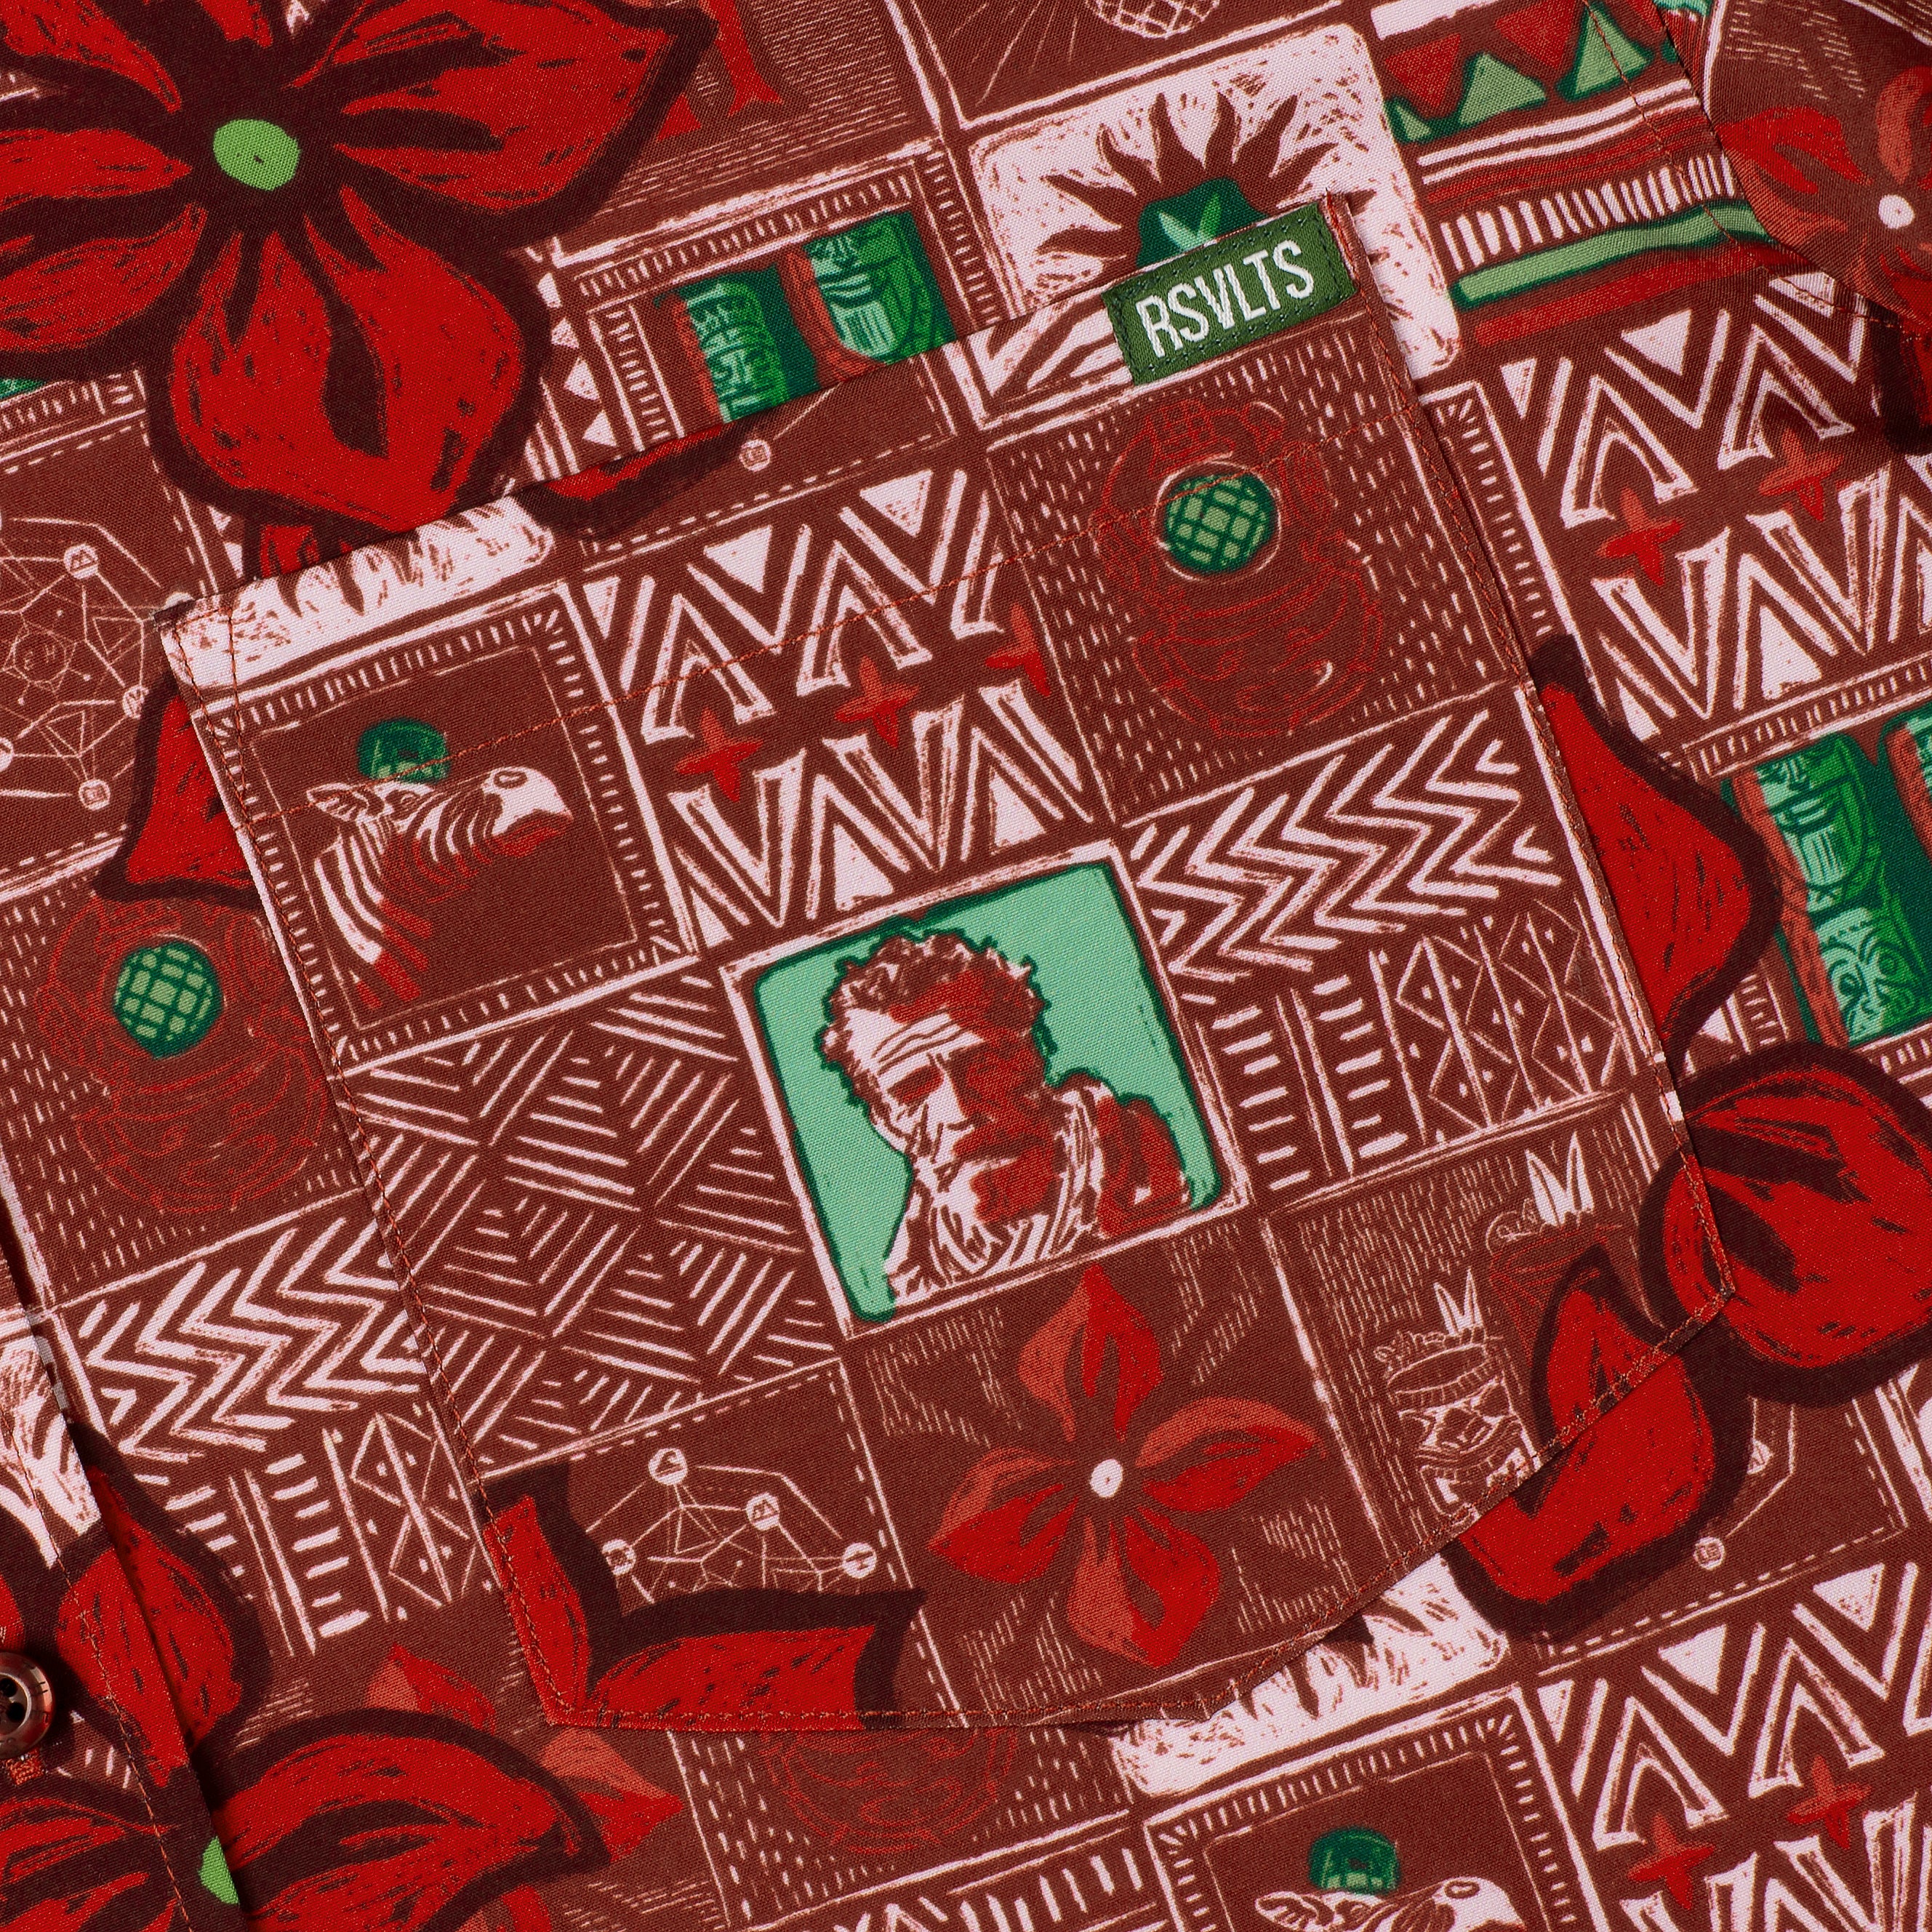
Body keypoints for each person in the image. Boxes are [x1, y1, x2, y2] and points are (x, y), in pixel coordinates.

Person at [818, 930, 1193, 1304]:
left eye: (983, 1065)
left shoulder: (1134, 1154)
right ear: (888, 1126)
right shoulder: (915, 1267)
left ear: (1031, 1055)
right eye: (913, 1091)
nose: (961, 1111)